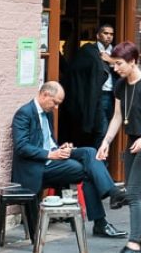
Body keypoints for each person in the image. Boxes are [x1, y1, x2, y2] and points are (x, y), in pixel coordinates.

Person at [11, 82, 127, 239]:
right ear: (44, 95)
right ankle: (102, 219)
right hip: (36, 167)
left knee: (90, 152)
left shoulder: (48, 113)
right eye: (55, 102)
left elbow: (48, 141)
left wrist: (61, 148)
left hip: (52, 159)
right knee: (86, 171)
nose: (57, 107)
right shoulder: (24, 113)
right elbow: (21, 146)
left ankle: (112, 194)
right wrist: (50, 154)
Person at [97, 42, 141, 253]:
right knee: (132, 192)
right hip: (131, 143)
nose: (115, 68)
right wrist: (106, 142)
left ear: (133, 61)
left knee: (134, 194)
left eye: (119, 64)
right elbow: (118, 116)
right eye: (114, 64)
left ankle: (134, 243)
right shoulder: (120, 85)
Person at [63, 24, 118, 147]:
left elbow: (126, 67)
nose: (109, 36)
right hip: (98, 95)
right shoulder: (89, 50)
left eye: (111, 34)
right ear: (98, 35)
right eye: (105, 33)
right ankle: (100, 162)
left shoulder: (115, 52)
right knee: (101, 130)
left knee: (111, 130)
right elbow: (77, 71)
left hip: (113, 96)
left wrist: (111, 61)